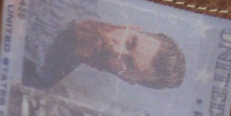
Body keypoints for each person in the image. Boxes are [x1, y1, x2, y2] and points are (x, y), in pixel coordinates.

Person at [24, 19, 186, 91]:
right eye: (130, 42)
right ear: (130, 27)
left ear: (126, 79)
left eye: (128, 64)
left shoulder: (43, 77)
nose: (116, 50)